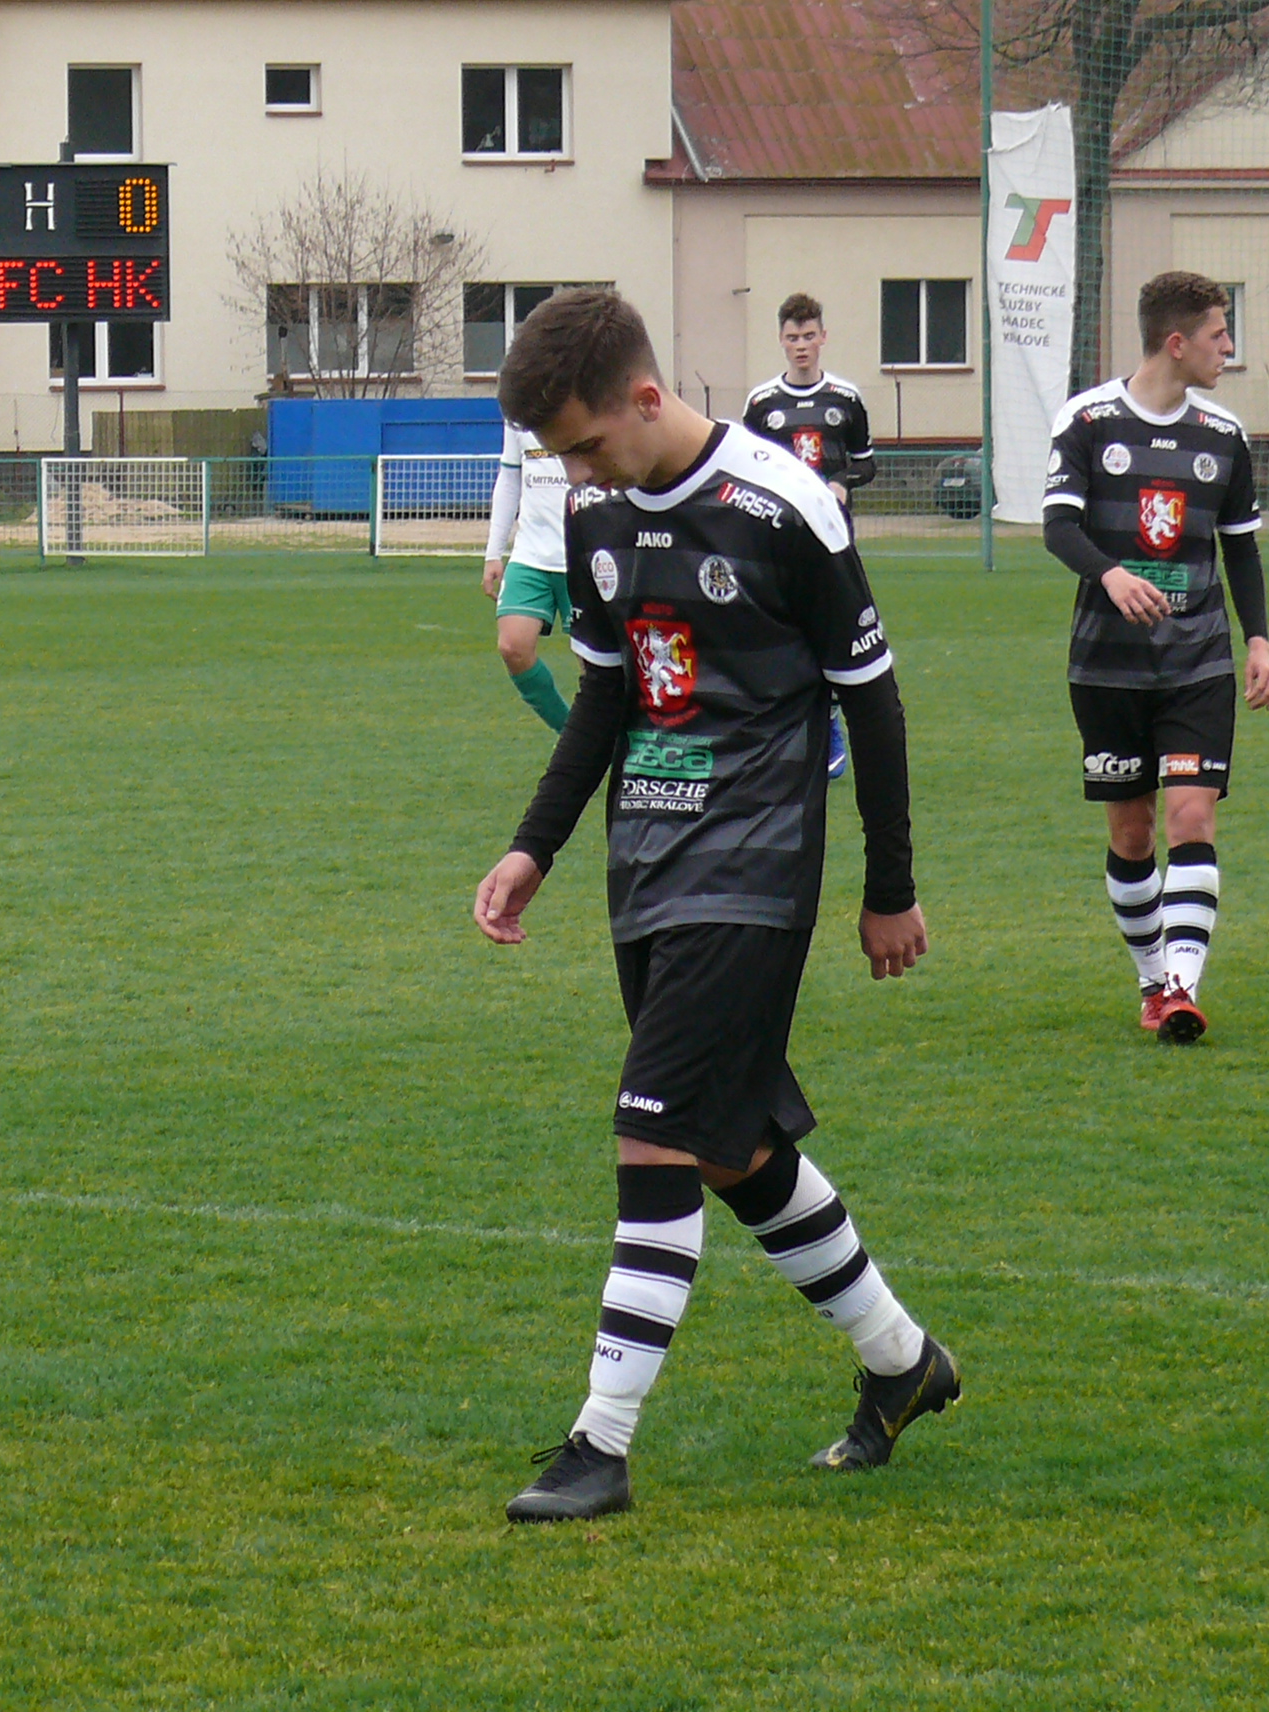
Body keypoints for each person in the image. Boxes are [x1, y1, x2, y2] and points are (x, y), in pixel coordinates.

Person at [473, 289, 958, 1524]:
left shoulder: (783, 505)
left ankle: (599, 1443)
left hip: (755, 862)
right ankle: (903, 1361)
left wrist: (888, 886)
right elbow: (605, 698)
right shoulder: (592, 510)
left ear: (646, 398)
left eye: (586, 445)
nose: (577, 473)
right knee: (728, 1145)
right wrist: (534, 846)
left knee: (651, 1130)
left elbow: (873, 699)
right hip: (645, 859)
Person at [1043, 270, 1269, 1044]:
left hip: (1197, 659)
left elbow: (1240, 550)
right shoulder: (1087, 420)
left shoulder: (1224, 435)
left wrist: (1258, 641)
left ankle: (1181, 986)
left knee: (1191, 814)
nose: (1228, 347)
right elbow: (1058, 527)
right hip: (1106, 665)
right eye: (1218, 333)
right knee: (1132, 835)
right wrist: (1110, 575)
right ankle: (1151, 979)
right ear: (1176, 343)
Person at [742, 294, 875, 778]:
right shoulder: (762, 404)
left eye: (809, 335)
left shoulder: (845, 399)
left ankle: (831, 723)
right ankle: (781, 727)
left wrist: (841, 481)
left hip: (832, 538)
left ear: (823, 337)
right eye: (793, 337)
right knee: (778, 629)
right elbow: (746, 466)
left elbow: (867, 464)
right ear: (781, 340)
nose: (801, 345)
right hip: (777, 540)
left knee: (835, 628)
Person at [482, 420, 575, 732]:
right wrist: (494, 552)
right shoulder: (516, 412)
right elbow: (510, 480)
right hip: (530, 554)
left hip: (583, 555)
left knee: (597, 669)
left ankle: (613, 744)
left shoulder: (585, 397)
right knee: (513, 646)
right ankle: (572, 736)